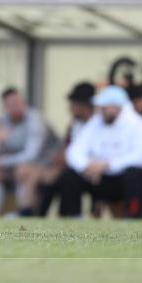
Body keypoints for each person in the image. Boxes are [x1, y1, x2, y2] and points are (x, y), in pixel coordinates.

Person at [59, 85, 142, 219]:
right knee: (69, 175)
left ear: (118, 107)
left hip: (125, 178)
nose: (101, 110)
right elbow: (73, 152)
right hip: (98, 178)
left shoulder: (138, 124)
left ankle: (133, 216)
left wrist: (107, 165)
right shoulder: (96, 122)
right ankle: (72, 217)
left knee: (134, 174)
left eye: (105, 107)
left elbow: (140, 156)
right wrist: (88, 166)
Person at [0, 87, 54, 217]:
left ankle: (24, 215)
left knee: (22, 171)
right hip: (14, 165)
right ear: (5, 107)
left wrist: (1, 162)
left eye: (18, 102)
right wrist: (0, 141)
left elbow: (31, 155)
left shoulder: (35, 119)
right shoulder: (2, 121)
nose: (16, 107)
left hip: (45, 164)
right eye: (11, 104)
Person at [37, 81, 95, 217]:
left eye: (73, 104)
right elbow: (65, 150)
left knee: (65, 177)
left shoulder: (96, 125)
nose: (70, 108)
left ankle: (71, 215)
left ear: (84, 105)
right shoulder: (74, 125)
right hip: (71, 168)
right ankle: (37, 215)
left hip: (89, 170)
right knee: (48, 177)